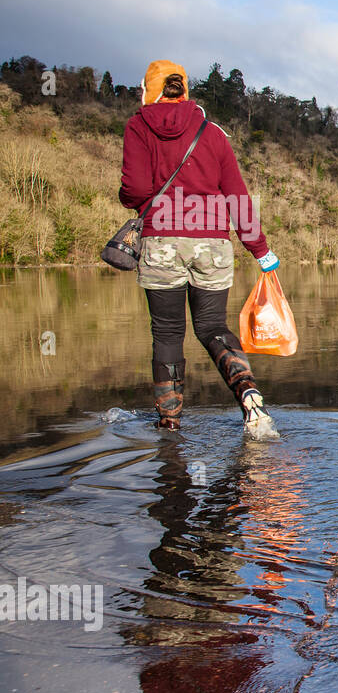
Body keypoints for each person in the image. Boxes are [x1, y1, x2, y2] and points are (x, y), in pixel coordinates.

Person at [119, 60, 279, 439]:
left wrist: (130, 197)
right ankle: (250, 396)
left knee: (168, 334)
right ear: (183, 90)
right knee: (212, 327)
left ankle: (170, 425)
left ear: (150, 89)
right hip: (212, 243)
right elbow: (237, 196)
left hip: (162, 243)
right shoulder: (212, 132)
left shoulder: (138, 127)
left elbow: (137, 190)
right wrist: (260, 249)